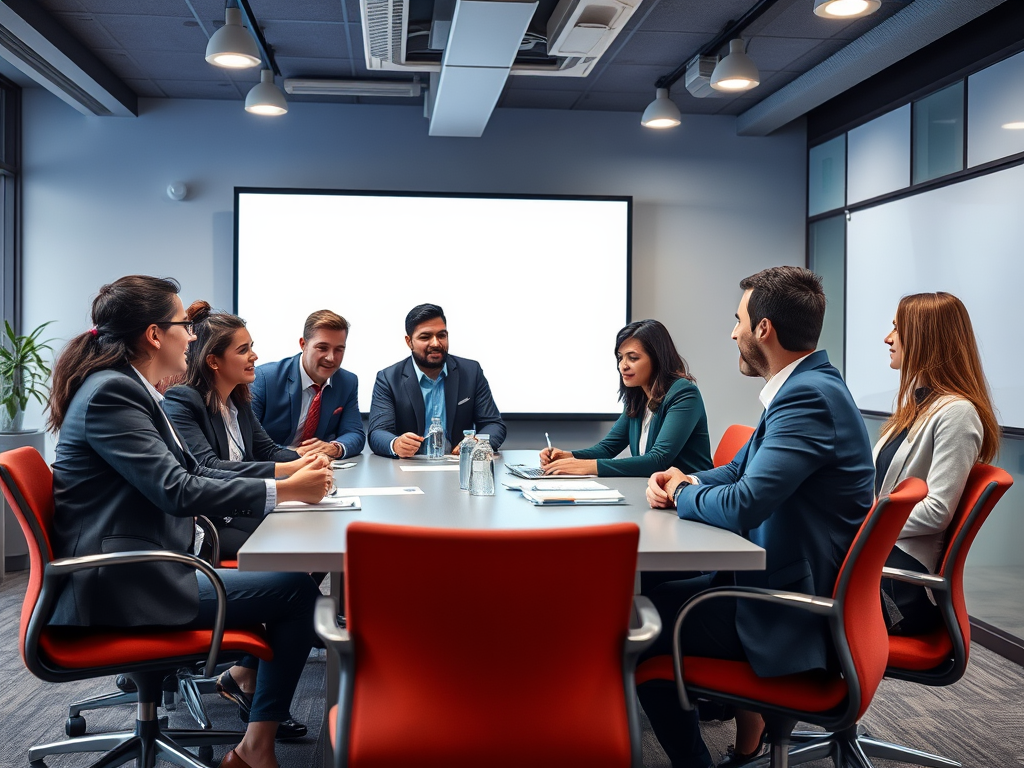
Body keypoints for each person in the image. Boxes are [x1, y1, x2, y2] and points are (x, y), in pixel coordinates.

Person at [47, 276, 334, 768]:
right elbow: (176, 490)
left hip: (147, 563)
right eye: (184, 326)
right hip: (121, 582)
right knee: (298, 593)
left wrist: (284, 480)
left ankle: (252, 729)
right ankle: (253, 749)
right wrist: (284, 489)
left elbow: (193, 470)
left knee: (293, 583)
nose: (193, 336)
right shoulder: (114, 394)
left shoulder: (132, 389)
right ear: (155, 335)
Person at [641, 266, 875, 768]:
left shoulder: (807, 398)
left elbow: (747, 502)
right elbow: (738, 469)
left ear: (763, 329)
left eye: (738, 320)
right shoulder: (804, 386)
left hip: (795, 610)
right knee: (653, 597)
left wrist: (681, 493)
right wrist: (691, 479)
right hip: (784, 580)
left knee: (638, 632)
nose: (732, 332)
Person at [875, 292, 1000, 635]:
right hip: (878, 560)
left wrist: (866, 524)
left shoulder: (957, 414)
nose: (888, 338)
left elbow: (937, 511)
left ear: (925, 338)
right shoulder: (916, 407)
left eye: (897, 329)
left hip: (896, 586)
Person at [163, 301, 326, 559]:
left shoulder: (238, 399)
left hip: (242, 510)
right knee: (303, 547)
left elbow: (268, 450)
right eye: (243, 350)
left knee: (317, 533)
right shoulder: (182, 400)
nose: (254, 357)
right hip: (212, 524)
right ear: (213, 362)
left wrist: (311, 460)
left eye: (252, 347)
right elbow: (207, 465)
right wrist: (291, 469)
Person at [539, 319, 713, 477]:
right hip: (655, 494)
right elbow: (607, 448)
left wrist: (586, 466)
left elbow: (659, 460)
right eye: (620, 358)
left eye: (633, 358)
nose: (623, 366)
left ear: (657, 359)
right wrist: (569, 456)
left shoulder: (684, 394)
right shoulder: (638, 397)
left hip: (691, 497)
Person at [368, 303, 506, 458]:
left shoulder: (471, 372)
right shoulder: (388, 378)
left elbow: (493, 424)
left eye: (441, 335)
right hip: (409, 468)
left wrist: (478, 443)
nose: (435, 343)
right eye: (425, 337)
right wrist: (396, 443)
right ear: (409, 342)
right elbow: (378, 432)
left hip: (458, 466)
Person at [252, 309, 365, 460]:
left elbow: (355, 433)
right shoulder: (264, 378)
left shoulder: (347, 382)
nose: (331, 358)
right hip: (273, 468)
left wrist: (334, 448)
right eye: (322, 348)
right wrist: (297, 456)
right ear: (303, 344)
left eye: (339, 349)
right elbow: (250, 440)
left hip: (318, 469)